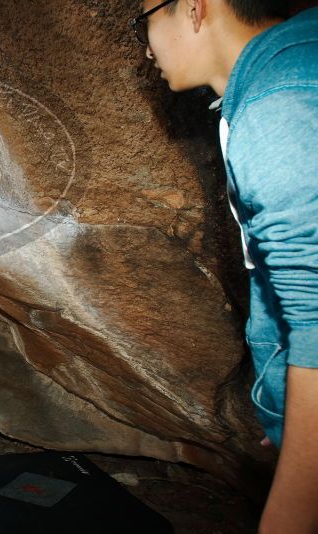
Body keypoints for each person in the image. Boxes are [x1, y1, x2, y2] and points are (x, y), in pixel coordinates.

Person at [132, 1, 318, 531]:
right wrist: (286, 397)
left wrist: (291, 509)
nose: (146, 47)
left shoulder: (278, 108)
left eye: (145, 19)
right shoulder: (294, 67)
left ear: (193, 8)